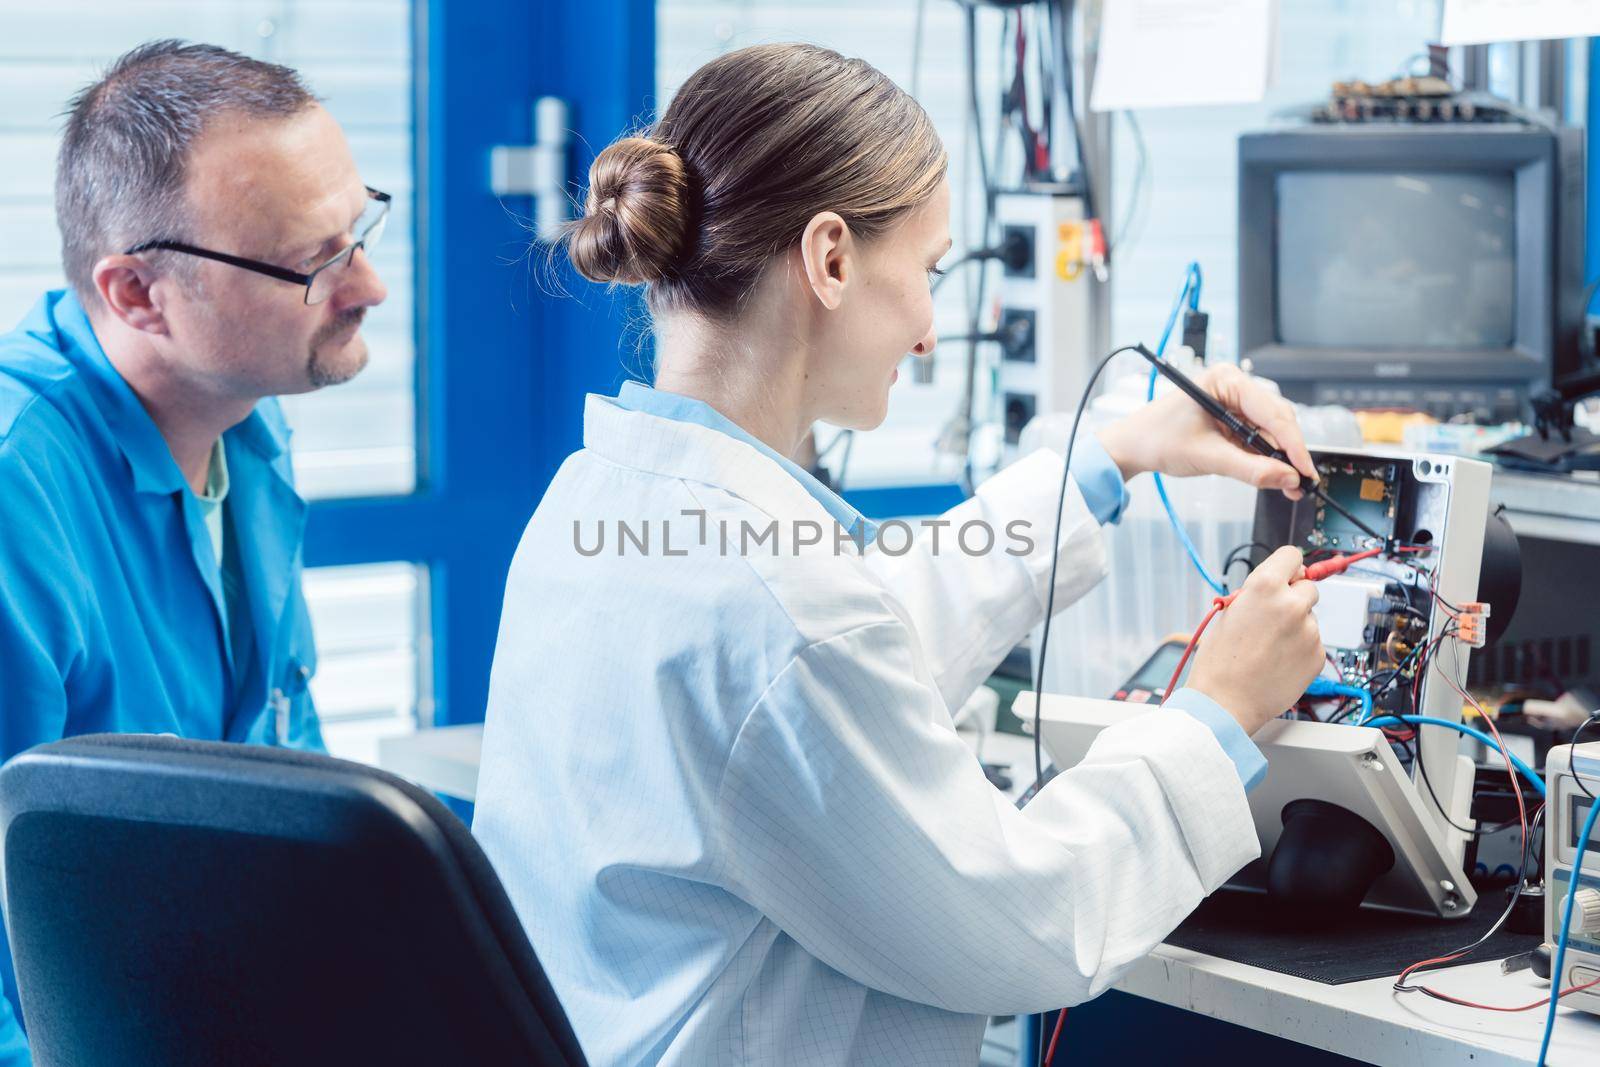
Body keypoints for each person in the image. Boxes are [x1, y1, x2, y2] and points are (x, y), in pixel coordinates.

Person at [473, 43, 1324, 1067]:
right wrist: (1217, 708)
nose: (928, 330)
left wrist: (1114, 452)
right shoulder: (781, 611)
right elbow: (1029, 918)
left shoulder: (594, 505)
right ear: (829, 258)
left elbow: (864, 623)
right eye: (926, 271)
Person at [0, 40, 387, 1062]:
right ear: (135, 294)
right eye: (315, 262)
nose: (370, 287)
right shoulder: (13, 490)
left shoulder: (246, 430)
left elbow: (278, 777)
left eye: (358, 232)